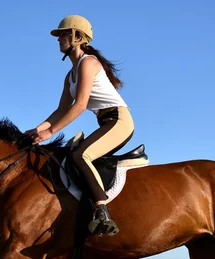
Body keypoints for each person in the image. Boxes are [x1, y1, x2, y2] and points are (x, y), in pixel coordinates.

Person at [25, 15, 135, 236]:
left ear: (76, 37)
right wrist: (35, 131)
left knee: (80, 155)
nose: (58, 39)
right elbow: (60, 110)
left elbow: (80, 105)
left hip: (119, 121)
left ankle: (102, 209)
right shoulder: (70, 75)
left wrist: (50, 132)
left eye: (62, 35)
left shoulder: (89, 63)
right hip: (106, 122)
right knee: (71, 157)